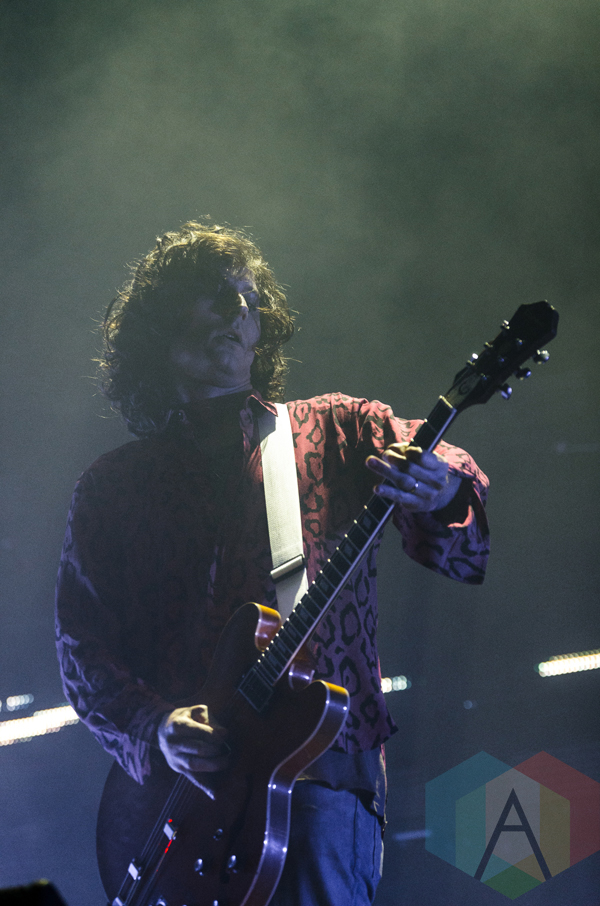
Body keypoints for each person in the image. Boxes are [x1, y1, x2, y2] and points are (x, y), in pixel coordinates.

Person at [55, 221, 490, 906]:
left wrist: (443, 488)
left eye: (250, 300)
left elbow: (450, 508)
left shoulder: (336, 428)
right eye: (213, 293)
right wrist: (156, 729)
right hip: (174, 812)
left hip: (315, 784)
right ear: (160, 321)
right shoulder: (111, 488)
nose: (237, 310)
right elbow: (82, 648)